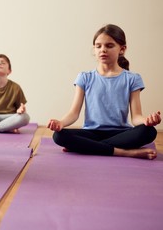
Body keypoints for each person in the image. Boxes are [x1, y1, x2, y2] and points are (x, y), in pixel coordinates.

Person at [47, 24, 161, 160]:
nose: (103, 50)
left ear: (122, 49)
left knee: (148, 132)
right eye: (98, 46)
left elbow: (136, 117)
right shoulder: (84, 77)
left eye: (109, 45)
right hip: (91, 132)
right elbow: (74, 113)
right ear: (94, 49)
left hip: (121, 133)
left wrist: (147, 121)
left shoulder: (132, 78)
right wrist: (61, 123)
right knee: (58, 135)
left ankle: (86, 147)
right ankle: (125, 152)